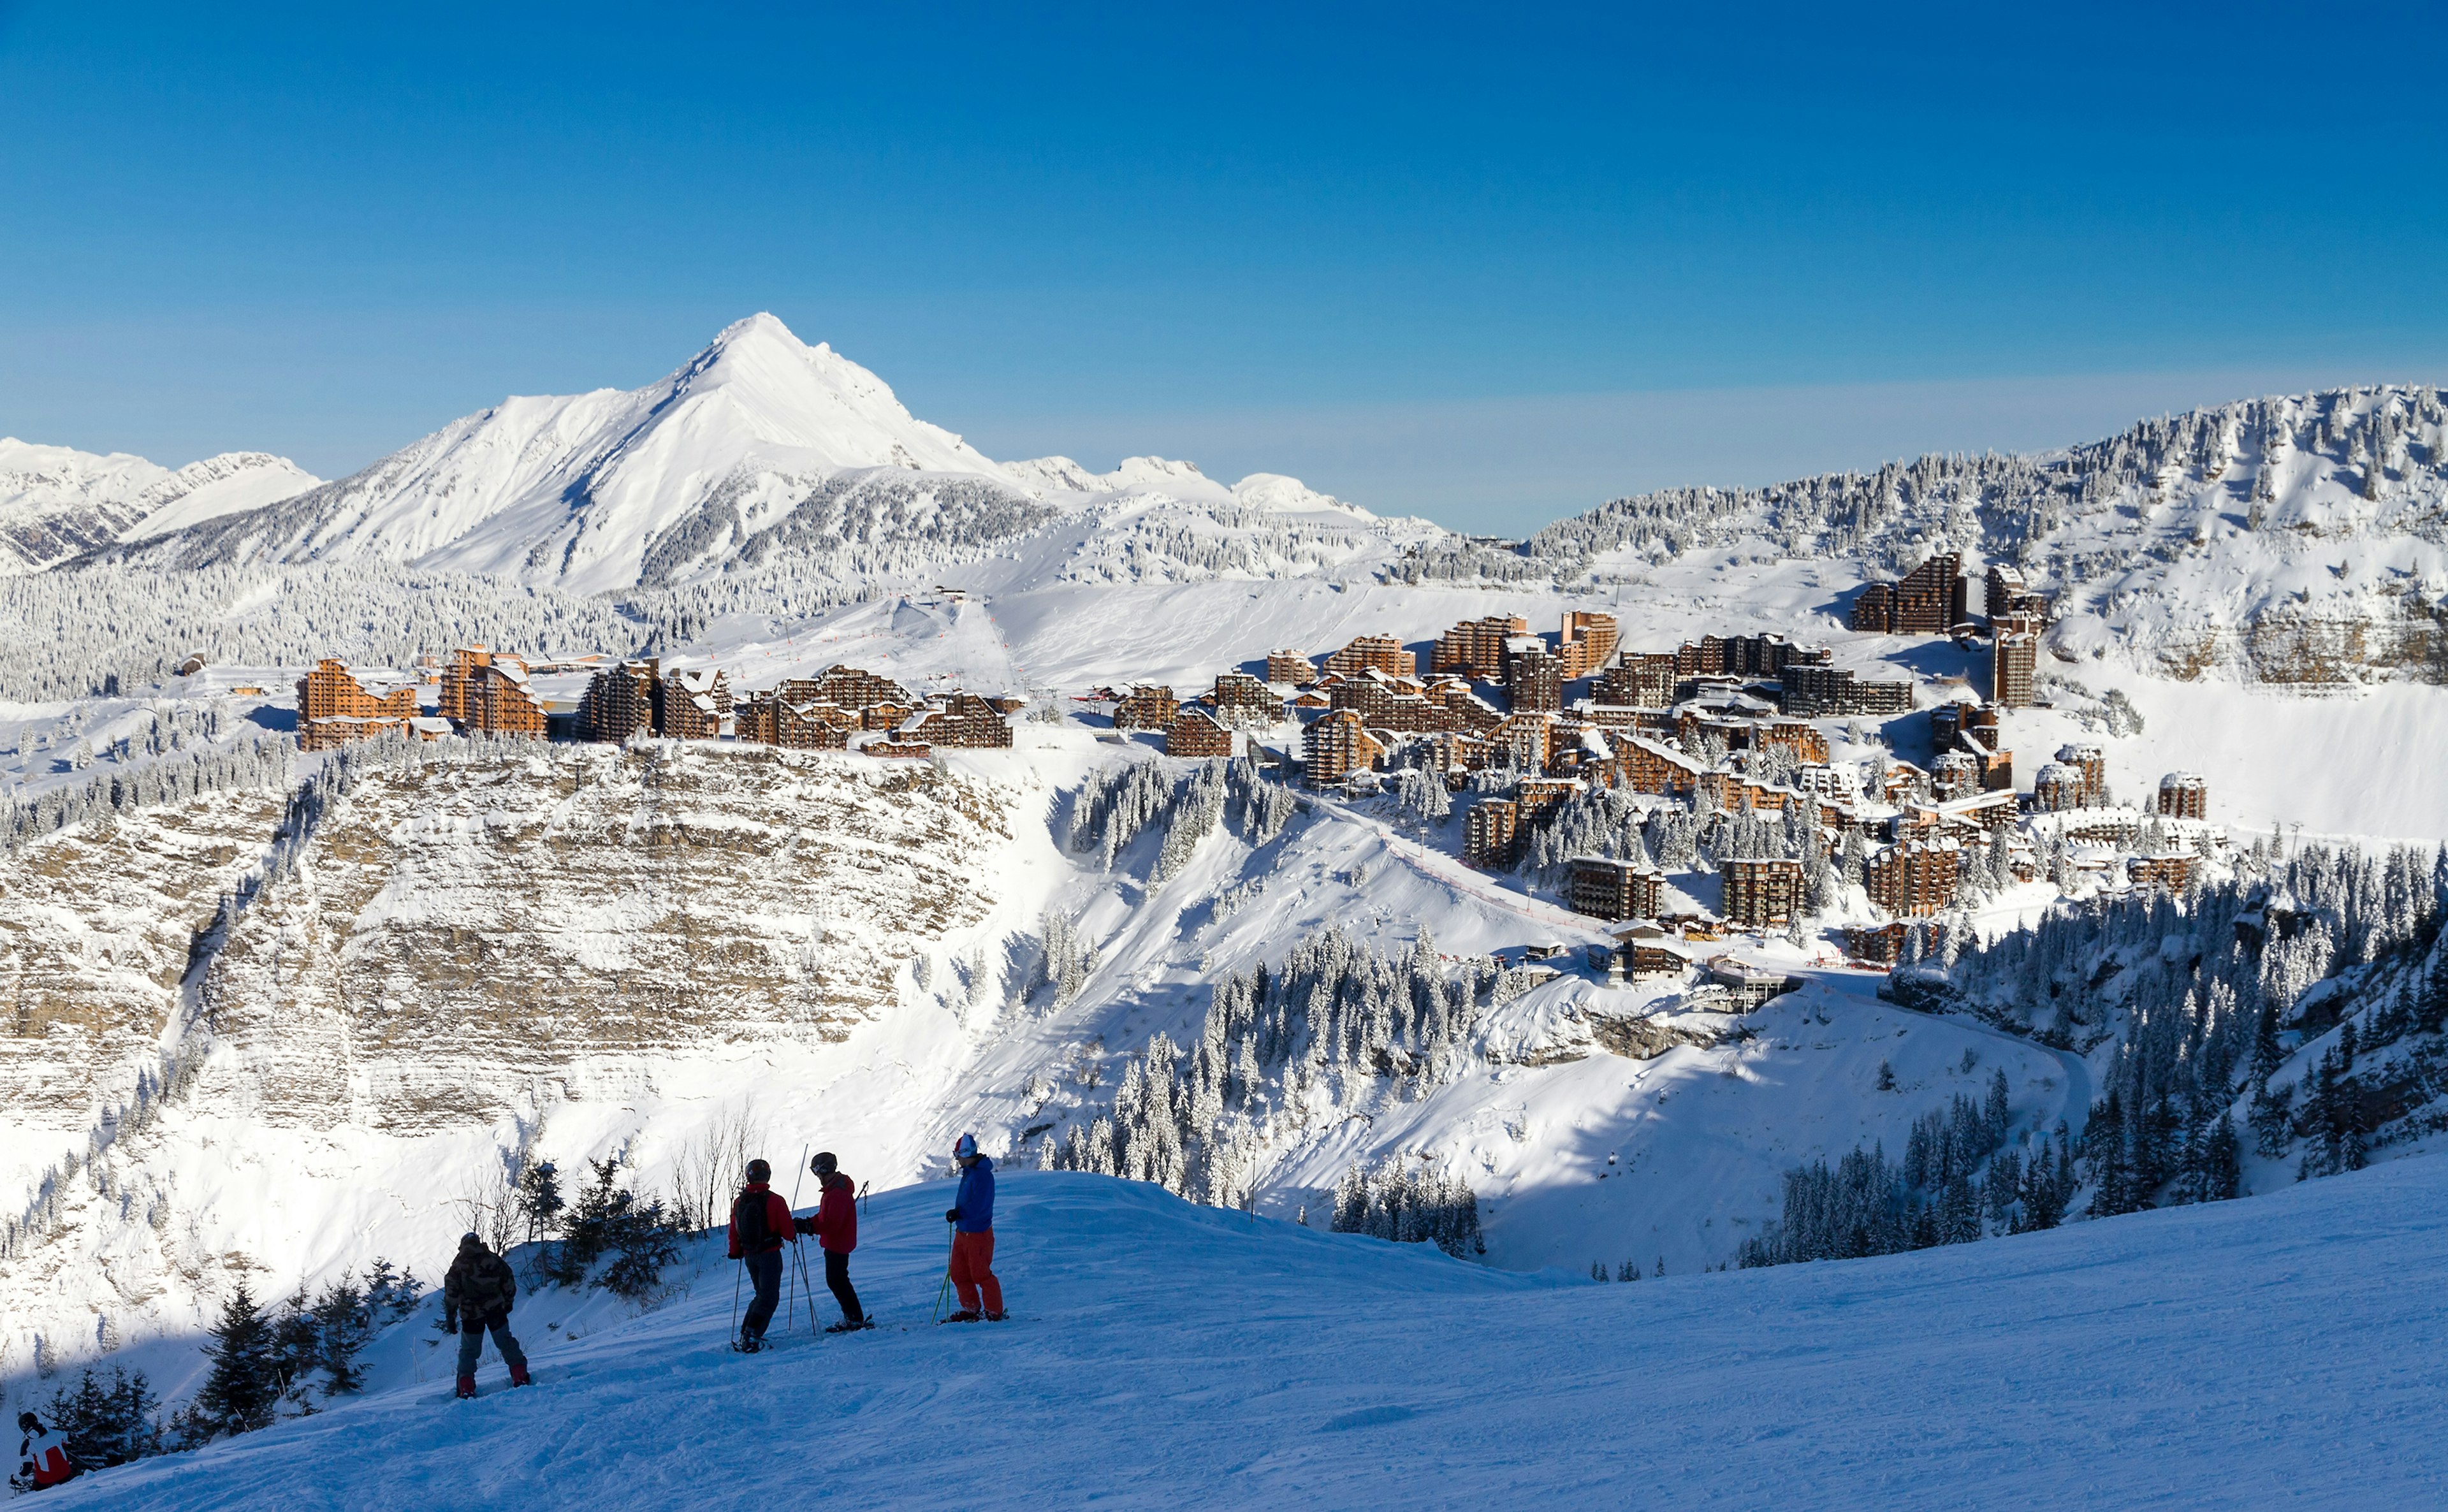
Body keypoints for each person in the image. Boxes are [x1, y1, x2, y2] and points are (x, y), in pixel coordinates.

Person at [444, 1231, 532, 1399]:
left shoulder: (458, 1266)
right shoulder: (492, 1259)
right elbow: (508, 1281)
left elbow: (451, 1294)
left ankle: (466, 1387)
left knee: (469, 1351)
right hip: (496, 1310)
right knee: (505, 1342)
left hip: (471, 1315)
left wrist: (450, 1316)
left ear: (462, 1246)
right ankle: (519, 1375)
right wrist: (508, 1302)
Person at [727, 1157, 799, 1351]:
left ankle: (746, 1332)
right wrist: (792, 1234)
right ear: (767, 1176)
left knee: (761, 1295)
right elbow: (788, 1232)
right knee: (769, 1297)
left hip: (750, 1255)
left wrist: (735, 1251)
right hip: (770, 1255)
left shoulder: (740, 1201)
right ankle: (752, 1336)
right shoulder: (775, 1200)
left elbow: (734, 1230)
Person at [796, 1151, 870, 1332]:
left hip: (838, 1242)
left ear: (823, 1169)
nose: (817, 1176)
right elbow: (825, 1218)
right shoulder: (834, 1190)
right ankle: (853, 1317)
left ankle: (854, 1318)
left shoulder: (836, 1193)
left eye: (816, 1171)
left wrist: (809, 1227)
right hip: (838, 1241)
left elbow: (831, 1224)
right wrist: (808, 1223)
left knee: (837, 1280)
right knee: (838, 1280)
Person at [943, 1133, 1005, 1323]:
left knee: (981, 1274)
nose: (957, 1160)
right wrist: (958, 1214)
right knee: (959, 1273)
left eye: (958, 1155)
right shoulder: (970, 1173)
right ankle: (971, 1309)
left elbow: (979, 1205)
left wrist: (960, 1213)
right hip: (964, 1232)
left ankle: (994, 1312)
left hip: (978, 1233)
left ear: (965, 1154)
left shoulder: (982, 1176)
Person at [13, 1411, 75, 1492]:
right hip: (65, 1473)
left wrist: (14, 1478)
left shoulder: (28, 1445)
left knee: (33, 1494)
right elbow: (69, 1439)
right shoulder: (55, 1432)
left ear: (23, 1428)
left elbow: (26, 1468)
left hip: (46, 1479)